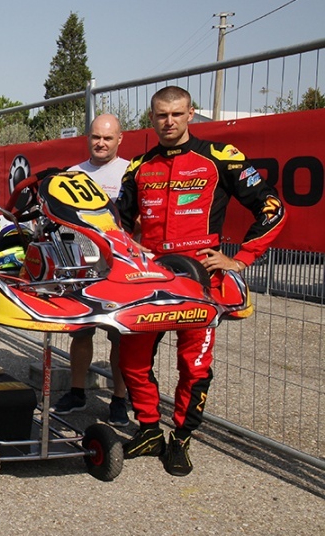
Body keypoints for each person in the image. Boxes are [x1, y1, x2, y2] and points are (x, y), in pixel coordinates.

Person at [115, 86, 287, 476]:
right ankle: (147, 430)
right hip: (151, 279)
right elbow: (118, 225)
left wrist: (240, 258)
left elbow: (273, 210)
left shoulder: (220, 158)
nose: (169, 122)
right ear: (152, 117)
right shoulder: (138, 166)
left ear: (191, 113)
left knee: (193, 365)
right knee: (132, 359)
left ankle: (181, 439)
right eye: (161, 115)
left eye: (177, 113)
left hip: (200, 279)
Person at [51, 114, 130, 426]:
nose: (101, 143)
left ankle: (119, 400)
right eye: (96, 137)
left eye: (108, 138)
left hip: (117, 269)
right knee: (81, 333)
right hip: (80, 268)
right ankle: (77, 391)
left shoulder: (129, 173)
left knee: (119, 337)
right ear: (88, 137)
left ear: (119, 139)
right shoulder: (73, 174)